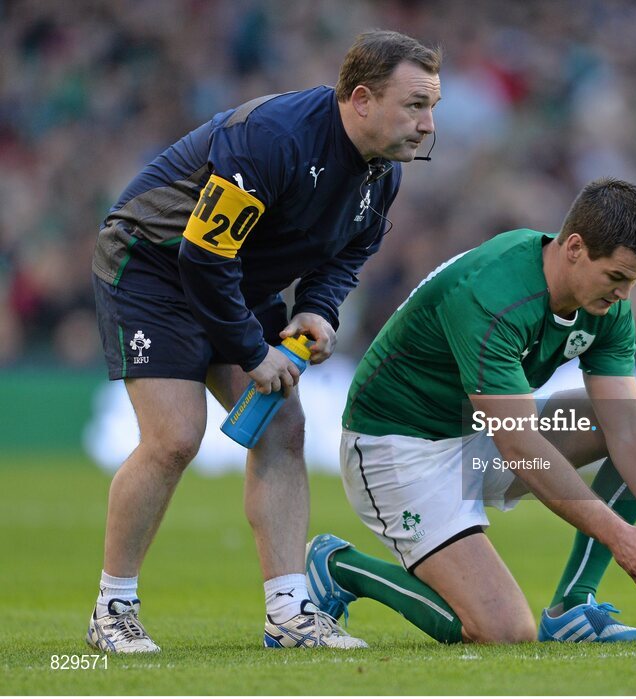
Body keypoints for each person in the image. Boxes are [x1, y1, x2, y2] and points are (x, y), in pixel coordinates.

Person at [87, 30, 442, 653]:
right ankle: (112, 610)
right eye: (415, 105)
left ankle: (290, 612)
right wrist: (253, 353)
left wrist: (316, 309)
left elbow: (351, 248)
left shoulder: (382, 174)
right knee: (173, 437)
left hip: (233, 276)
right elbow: (201, 255)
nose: (428, 123)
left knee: (283, 430)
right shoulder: (274, 139)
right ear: (360, 99)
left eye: (431, 106)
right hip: (156, 266)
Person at [306, 178, 636, 644]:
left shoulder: (605, 303)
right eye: (616, 277)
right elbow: (520, 444)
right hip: (398, 447)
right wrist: (619, 535)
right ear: (574, 247)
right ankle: (340, 567)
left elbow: (627, 424)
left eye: (635, 282)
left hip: (480, 431)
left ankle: (573, 606)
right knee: (503, 632)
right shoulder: (494, 293)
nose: (625, 296)